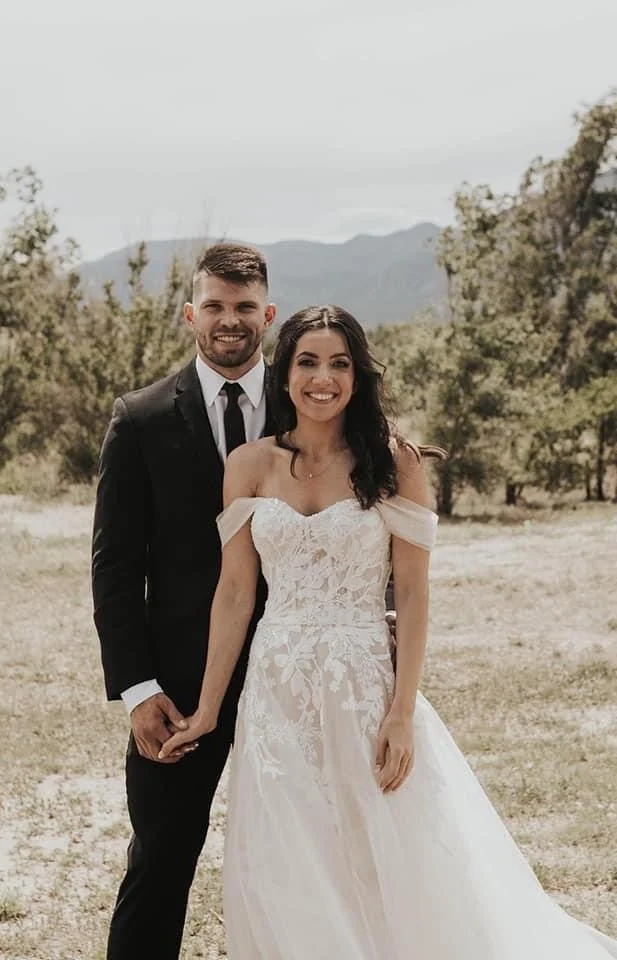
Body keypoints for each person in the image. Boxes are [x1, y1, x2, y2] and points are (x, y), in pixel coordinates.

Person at [161, 305, 617, 959]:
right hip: (276, 692)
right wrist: (209, 706)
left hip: (364, 685)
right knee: (287, 855)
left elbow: (411, 590)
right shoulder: (248, 465)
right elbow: (235, 593)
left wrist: (401, 712)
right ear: (284, 374)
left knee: (385, 849)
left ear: (358, 376)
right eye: (308, 362)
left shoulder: (394, 462)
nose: (323, 378)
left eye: (339, 363)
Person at [92, 243, 277, 960]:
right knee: (160, 863)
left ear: (267, 313)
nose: (228, 321)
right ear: (189, 313)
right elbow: (114, 569)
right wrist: (138, 688)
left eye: (242, 308)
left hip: (293, 676)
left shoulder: (312, 403)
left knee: (313, 857)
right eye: (214, 307)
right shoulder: (138, 420)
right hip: (177, 687)